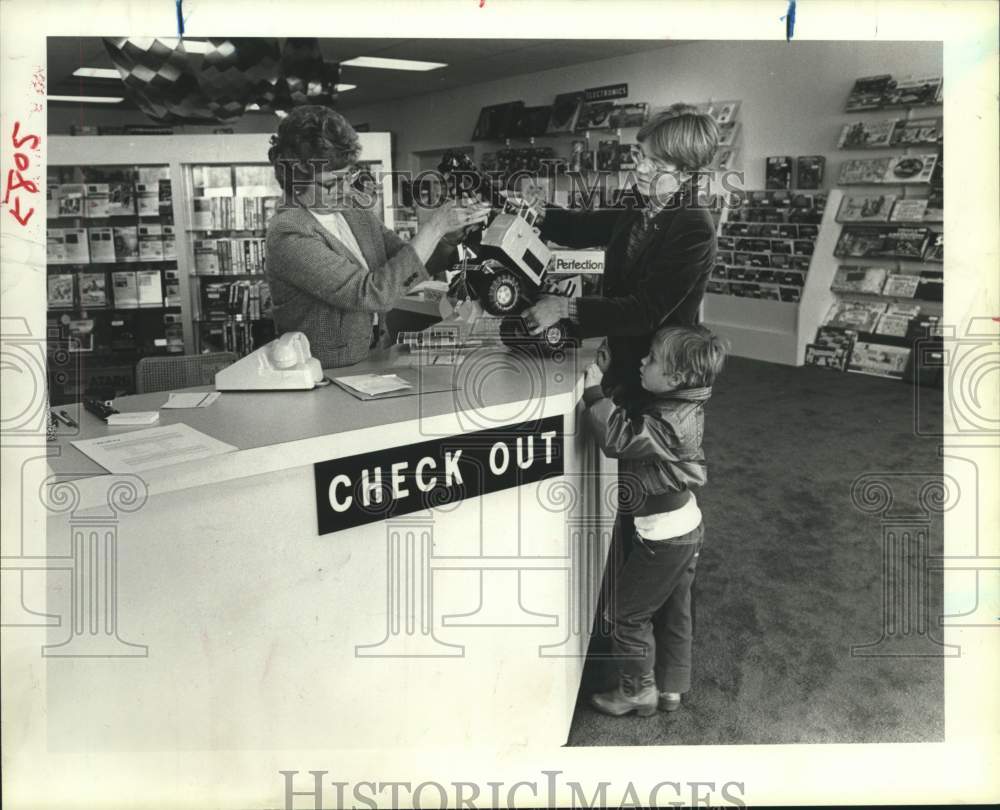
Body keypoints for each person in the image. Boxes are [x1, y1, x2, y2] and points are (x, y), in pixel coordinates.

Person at [523, 103, 720, 410]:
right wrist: (539, 211)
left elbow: (644, 311)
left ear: (686, 173)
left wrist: (564, 307)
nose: (640, 169)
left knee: (642, 450)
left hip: (660, 377)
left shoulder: (693, 224)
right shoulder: (639, 200)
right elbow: (581, 229)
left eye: (656, 164)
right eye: (640, 155)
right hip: (623, 358)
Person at [265, 105, 490, 369]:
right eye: (330, 183)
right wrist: (435, 227)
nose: (345, 189)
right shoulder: (289, 232)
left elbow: (408, 263)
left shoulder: (353, 213)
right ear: (295, 179)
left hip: (374, 357)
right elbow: (370, 294)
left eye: (348, 176)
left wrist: (450, 235)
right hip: (323, 370)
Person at [581, 324, 727, 716]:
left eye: (652, 359)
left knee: (626, 613)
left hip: (664, 538)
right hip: (682, 527)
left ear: (677, 378)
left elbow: (620, 439)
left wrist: (594, 391)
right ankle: (672, 687)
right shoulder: (679, 405)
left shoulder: (671, 421)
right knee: (675, 611)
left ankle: (638, 690)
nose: (643, 362)